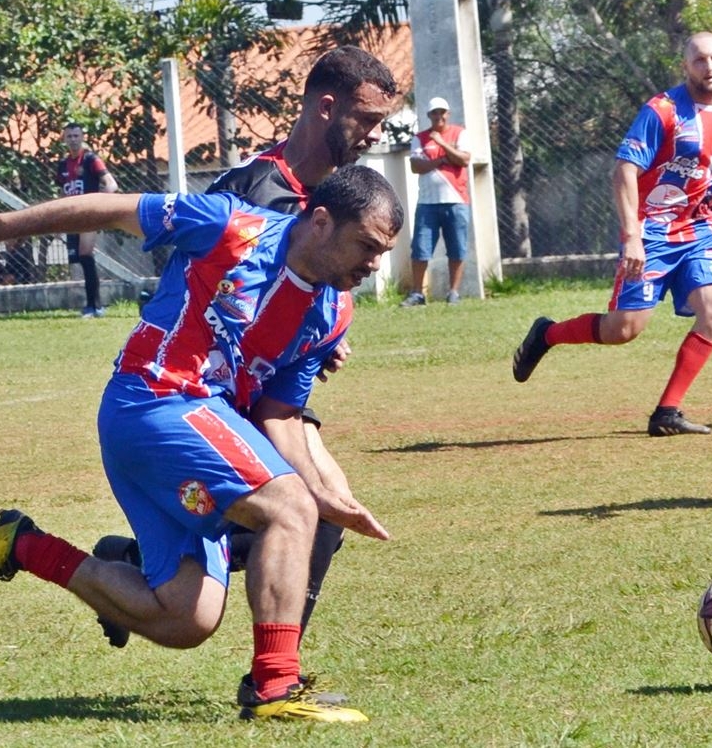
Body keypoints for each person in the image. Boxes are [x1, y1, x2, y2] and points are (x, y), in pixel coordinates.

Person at [0, 164, 403, 722]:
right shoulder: (228, 225)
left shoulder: (332, 314)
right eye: (367, 245)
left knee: (184, 618)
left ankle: (20, 544)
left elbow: (280, 416)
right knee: (287, 510)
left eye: (383, 251)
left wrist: (324, 493)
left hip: (185, 425)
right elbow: (107, 210)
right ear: (320, 222)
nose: (375, 264)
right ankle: (276, 688)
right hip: (154, 399)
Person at [92, 46, 399, 657]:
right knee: (304, 507)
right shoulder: (251, 189)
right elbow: (205, 285)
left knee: (320, 513)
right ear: (327, 108)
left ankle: (146, 573)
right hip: (206, 384)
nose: (375, 134)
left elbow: (308, 298)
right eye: (366, 120)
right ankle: (270, 670)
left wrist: (321, 335)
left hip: (271, 382)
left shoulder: (351, 200)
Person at [512, 32, 712, 436]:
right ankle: (547, 334)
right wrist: (632, 238)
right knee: (623, 330)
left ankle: (667, 412)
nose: (708, 67)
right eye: (699, 60)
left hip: (700, 230)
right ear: (685, 66)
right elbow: (624, 170)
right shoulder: (662, 110)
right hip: (652, 231)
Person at [400, 96, 472, 306]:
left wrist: (441, 143)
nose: (438, 116)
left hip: (456, 201)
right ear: (429, 115)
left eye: (442, 112)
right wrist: (442, 159)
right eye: (434, 113)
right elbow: (416, 166)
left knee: (457, 249)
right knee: (420, 249)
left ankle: (453, 293)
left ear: (447, 114)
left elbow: (464, 159)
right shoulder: (420, 138)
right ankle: (417, 293)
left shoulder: (459, 133)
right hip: (428, 203)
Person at [55, 122, 118, 317]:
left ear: (82, 137)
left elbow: (111, 184)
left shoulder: (91, 160)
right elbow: (62, 190)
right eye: (69, 136)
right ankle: (92, 305)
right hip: (71, 215)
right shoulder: (63, 165)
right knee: (80, 259)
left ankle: (95, 306)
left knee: (85, 255)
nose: (73, 139)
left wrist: (99, 205)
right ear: (64, 139)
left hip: (88, 215)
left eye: (76, 136)